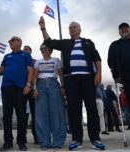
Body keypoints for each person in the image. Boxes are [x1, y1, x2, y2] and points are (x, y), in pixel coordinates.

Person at [38, 16, 105, 150]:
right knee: (74, 109)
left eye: (74, 27)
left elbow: (97, 58)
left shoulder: (88, 42)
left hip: (87, 78)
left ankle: (95, 139)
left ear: (80, 30)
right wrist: (43, 28)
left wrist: (98, 73)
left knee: (91, 108)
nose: (72, 29)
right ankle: (77, 140)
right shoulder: (66, 43)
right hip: (71, 79)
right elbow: (49, 42)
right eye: (70, 28)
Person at [0, 36, 33, 151]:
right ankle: (8, 142)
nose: (10, 42)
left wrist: (28, 85)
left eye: (13, 40)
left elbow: (30, 70)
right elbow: (0, 71)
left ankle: (21, 142)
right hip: (6, 88)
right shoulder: (6, 56)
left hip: (20, 88)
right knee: (6, 117)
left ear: (19, 42)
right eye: (9, 41)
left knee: (21, 116)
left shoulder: (25, 55)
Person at [33, 43, 66, 150]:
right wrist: (35, 88)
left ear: (50, 49)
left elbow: (60, 74)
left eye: (45, 48)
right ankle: (44, 142)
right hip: (41, 85)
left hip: (53, 84)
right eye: (41, 48)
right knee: (41, 114)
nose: (43, 50)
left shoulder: (56, 60)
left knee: (56, 113)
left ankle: (58, 141)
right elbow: (35, 75)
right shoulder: (38, 62)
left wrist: (62, 87)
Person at [23, 45, 38, 144]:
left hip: (32, 89)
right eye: (24, 50)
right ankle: (22, 137)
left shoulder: (35, 61)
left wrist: (34, 88)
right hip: (22, 90)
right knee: (23, 115)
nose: (25, 51)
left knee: (35, 114)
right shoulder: (20, 61)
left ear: (31, 51)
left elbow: (37, 75)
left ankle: (36, 136)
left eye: (27, 49)